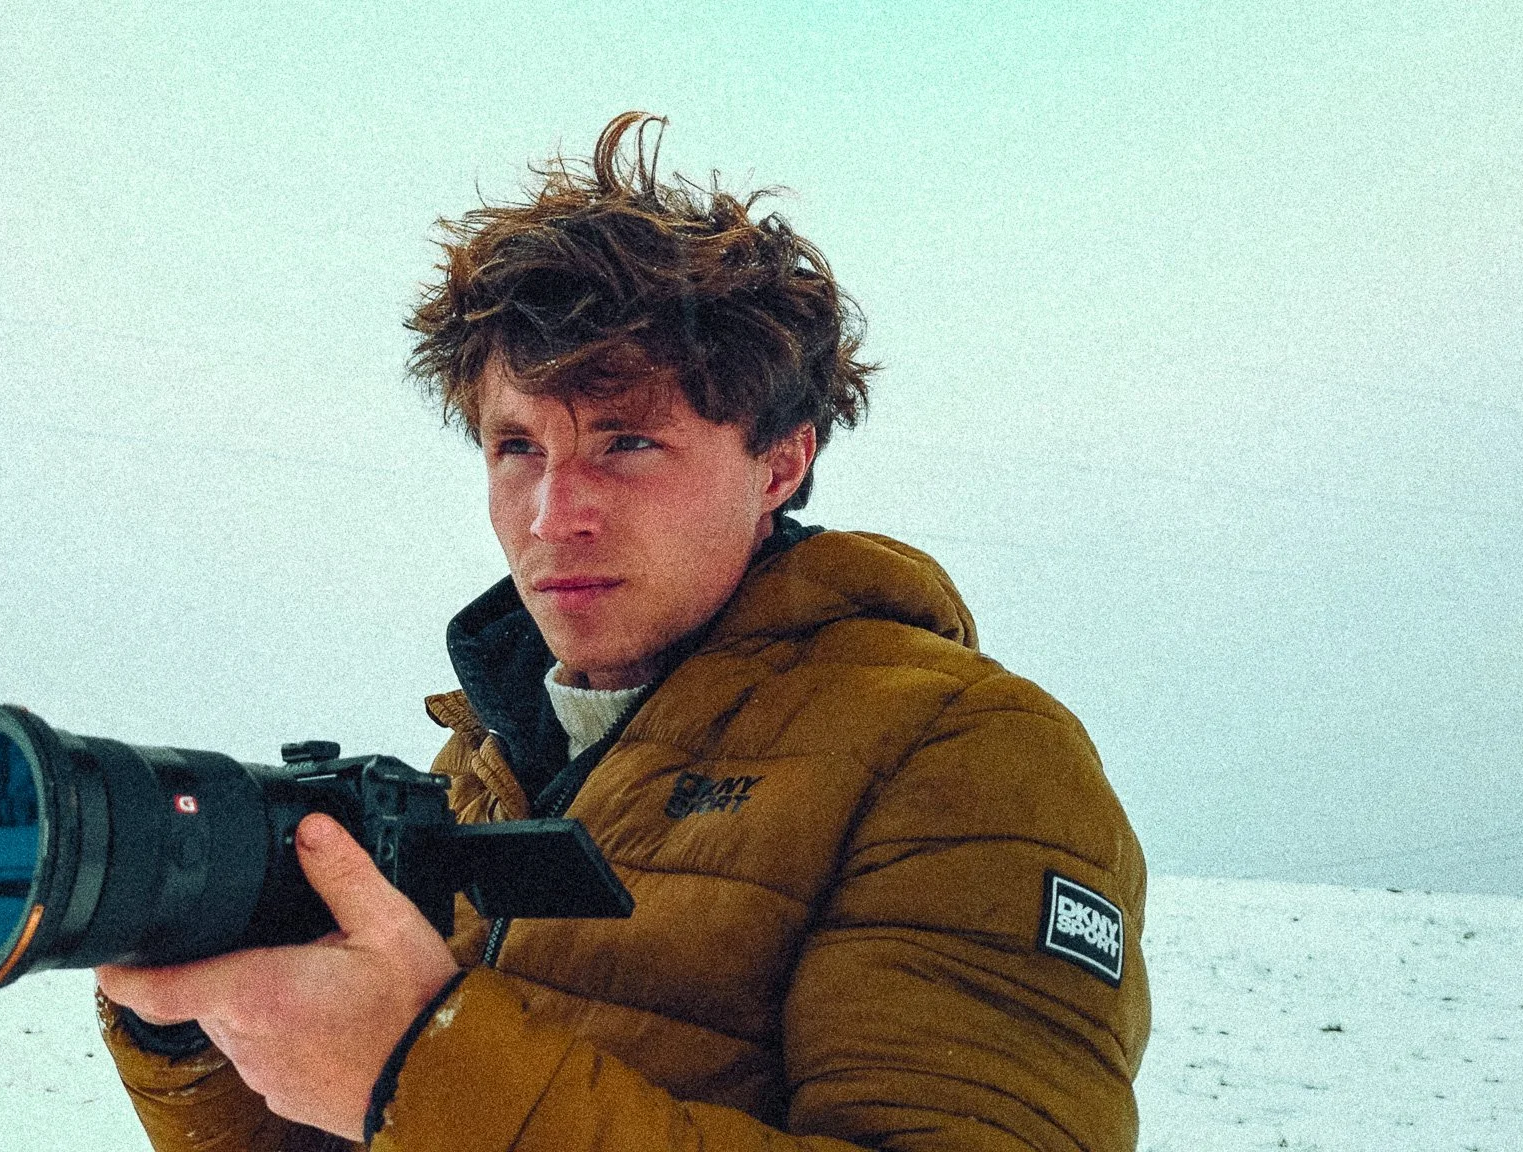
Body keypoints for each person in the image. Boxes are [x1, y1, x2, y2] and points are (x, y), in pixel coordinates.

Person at [94, 112, 1150, 1152]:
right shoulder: (490, 762)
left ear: (779, 465)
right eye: (517, 448)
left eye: (627, 442)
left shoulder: (966, 754)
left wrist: (422, 1070)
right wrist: (194, 1032)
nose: (554, 515)